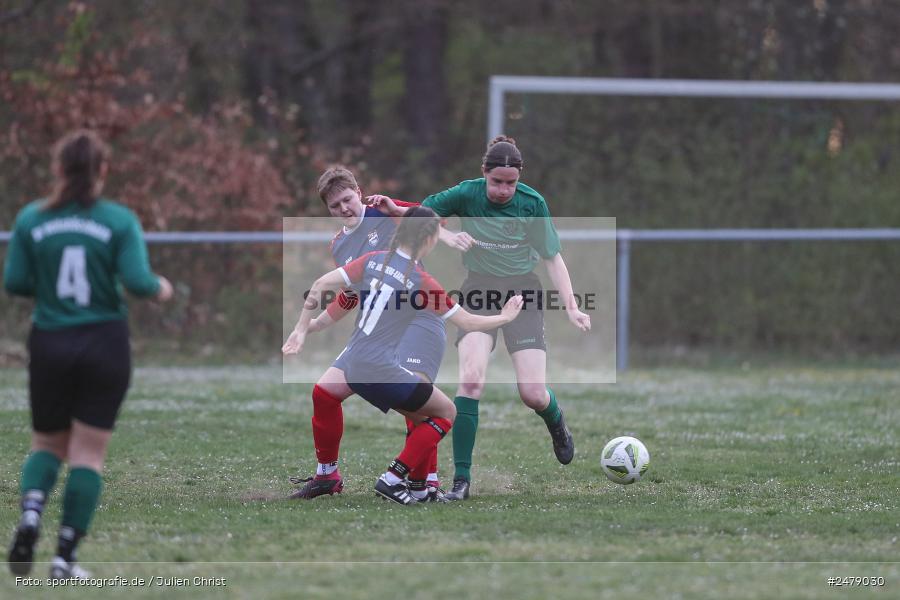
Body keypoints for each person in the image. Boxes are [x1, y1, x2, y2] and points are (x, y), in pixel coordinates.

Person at [4, 131, 173, 579]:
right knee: (87, 453)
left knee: (46, 444)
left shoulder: (31, 219)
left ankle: (31, 514)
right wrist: (161, 288)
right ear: (102, 171)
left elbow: (16, 283)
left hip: (49, 341)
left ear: (58, 169)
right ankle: (64, 558)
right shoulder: (117, 219)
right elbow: (138, 282)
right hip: (104, 342)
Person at [282, 207, 522, 505]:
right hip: (379, 368)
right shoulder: (421, 281)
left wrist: (301, 329)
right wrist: (505, 317)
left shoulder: (372, 260)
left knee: (409, 410)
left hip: (352, 361)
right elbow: (469, 322)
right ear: (430, 239)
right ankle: (393, 479)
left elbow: (319, 285)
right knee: (444, 413)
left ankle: (420, 488)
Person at [421, 135, 591, 501]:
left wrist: (573, 306)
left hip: (523, 294)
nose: (502, 190)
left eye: (510, 183)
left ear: (519, 179)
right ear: (484, 174)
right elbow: (420, 216)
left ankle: (557, 422)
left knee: (531, 394)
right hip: (478, 293)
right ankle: (461, 483)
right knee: (470, 382)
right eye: (496, 181)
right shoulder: (467, 193)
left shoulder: (532, 204)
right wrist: (448, 237)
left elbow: (552, 257)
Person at [287, 167, 448, 500]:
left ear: (358, 191)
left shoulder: (385, 212)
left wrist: (396, 209)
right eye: (335, 206)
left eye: (347, 199)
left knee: (418, 405)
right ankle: (327, 475)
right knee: (324, 393)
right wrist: (317, 324)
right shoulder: (340, 243)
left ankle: (425, 483)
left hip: (417, 318)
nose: (344, 209)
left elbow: (435, 222)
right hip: (377, 327)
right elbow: (353, 292)